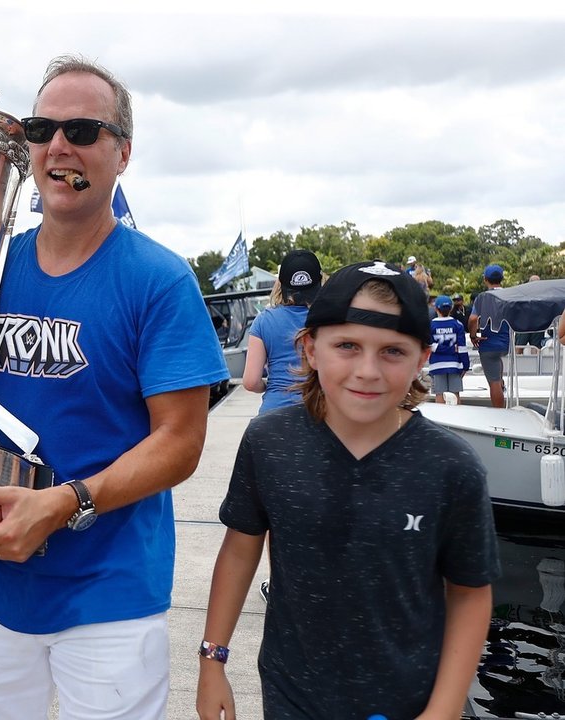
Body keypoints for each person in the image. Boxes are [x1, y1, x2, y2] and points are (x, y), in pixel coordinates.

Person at [0, 55, 224, 719]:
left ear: (123, 153)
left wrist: (67, 501)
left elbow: (182, 442)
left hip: (109, 592)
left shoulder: (158, 280)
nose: (57, 145)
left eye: (82, 129)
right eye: (40, 127)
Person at [196, 260, 499, 720]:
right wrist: (212, 660)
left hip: (410, 697)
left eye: (392, 352)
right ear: (310, 348)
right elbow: (240, 550)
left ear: (422, 359)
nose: (367, 370)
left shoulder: (452, 467)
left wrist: (444, 709)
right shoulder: (268, 443)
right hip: (292, 693)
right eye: (347, 346)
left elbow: (470, 591)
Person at [242, 249, 322, 414]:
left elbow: (250, 382)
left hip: (274, 414)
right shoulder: (331, 318)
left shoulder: (263, 321)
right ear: (320, 282)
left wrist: (269, 387)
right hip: (320, 411)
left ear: (280, 284)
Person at [469, 264, 510, 408]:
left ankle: (499, 413)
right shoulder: (509, 295)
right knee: (497, 366)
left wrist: (473, 336)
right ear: (502, 279)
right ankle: (501, 384)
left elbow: (473, 319)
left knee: (494, 382)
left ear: (485, 279)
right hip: (505, 343)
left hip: (489, 343)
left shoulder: (482, 297)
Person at [429, 294, 470, 404]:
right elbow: (462, 348)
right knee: (455, 395)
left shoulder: (430, 325)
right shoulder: (458, 324)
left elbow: (429, 346)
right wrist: (465, 365)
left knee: (439, 394)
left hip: (437, 364)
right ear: (451, 308)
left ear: (436, 308)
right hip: (454, 364)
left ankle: (440, 419)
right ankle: (457, 419)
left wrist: (442, 349)